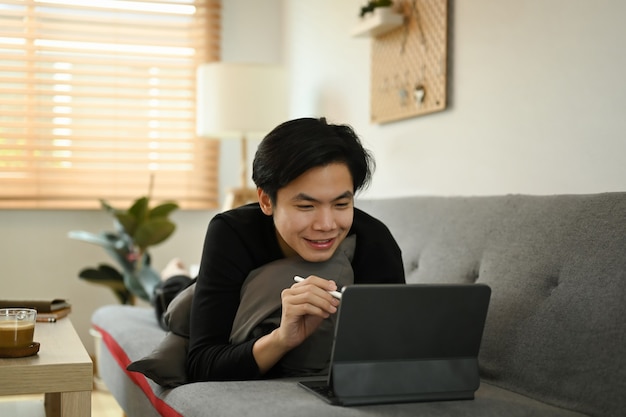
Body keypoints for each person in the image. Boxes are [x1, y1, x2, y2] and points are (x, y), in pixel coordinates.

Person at [187, 117, 405, 382]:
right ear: (266, 201)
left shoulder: (375, 242)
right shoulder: (232, 233)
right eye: (306, 206)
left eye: (341, 205)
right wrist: (281, 338)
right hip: (194, 293)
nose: (326, 225)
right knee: (176, 298)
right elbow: (201, 363)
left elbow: (391, 355)